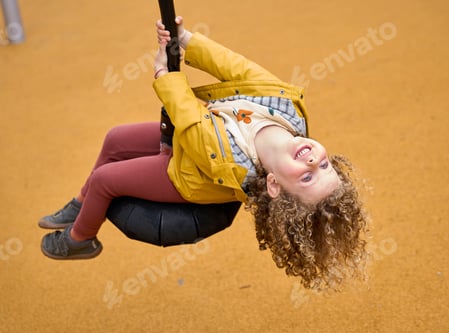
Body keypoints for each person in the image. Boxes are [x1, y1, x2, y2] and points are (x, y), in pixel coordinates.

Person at [39, 16, 368, 291]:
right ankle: (81, 205)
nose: (313, 160)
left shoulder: (235, 163)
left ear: (274, 186)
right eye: (325, 164)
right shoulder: (287, 108)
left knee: (105, 179)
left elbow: (192, 121)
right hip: (188, 140)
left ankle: (80, 238)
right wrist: (186, 39)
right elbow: (238, 68)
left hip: (184, 174)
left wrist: (163, 76)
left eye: (308, 177)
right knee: (115, 140)